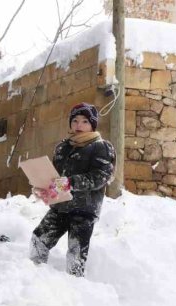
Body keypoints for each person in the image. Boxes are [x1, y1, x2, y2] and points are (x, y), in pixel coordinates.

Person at [29, 102, 116, 277]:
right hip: (60, 207)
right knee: (39, 239)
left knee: (76, 254)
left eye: (84, 121)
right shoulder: (63, 147)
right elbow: (55, 178)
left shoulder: (101, 147)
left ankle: (75, 287)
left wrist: (71, 183)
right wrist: (45, 188)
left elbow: (100, 177)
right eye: (75, 120)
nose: (79, 125)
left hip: (84, 210)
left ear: (92, 124)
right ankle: (34, 278)